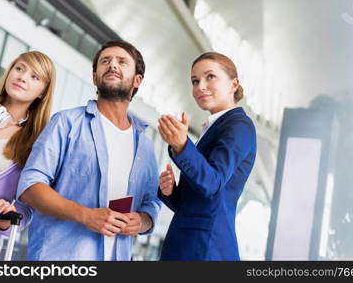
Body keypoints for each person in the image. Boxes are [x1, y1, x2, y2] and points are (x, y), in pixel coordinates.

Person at [17, 40, 161, 261]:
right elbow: (30, 186)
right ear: (95, 77)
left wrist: (142, 220)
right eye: (105, 61)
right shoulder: (65, 123)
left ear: (137, 80)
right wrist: (85, 215)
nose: (112, 65)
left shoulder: (145, 145)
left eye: (122, 62)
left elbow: (151, 201)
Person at [157, 52, 256, 260]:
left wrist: (182, 145)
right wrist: (171, 193)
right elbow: (198, 201)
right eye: (195, 81)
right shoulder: (213, 128)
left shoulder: (239, 126)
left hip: (206, 249)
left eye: (210, 76)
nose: (200, 86)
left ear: (233, 84)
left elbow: (213, 183)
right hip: (189, 245)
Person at [0, 51, 56, 260]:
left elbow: (27, 207)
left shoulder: (38, 144)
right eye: (19, 69)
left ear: (43, 92)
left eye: (35, 77)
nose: (22, 77)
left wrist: (7, 215)